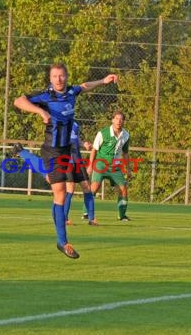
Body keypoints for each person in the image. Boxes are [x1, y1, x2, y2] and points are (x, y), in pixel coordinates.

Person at [14, 63, 117, 259]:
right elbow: (19, 101)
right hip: (52, 150)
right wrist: (40, 112)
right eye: (55, 76)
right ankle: (62, 242)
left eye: (61, 76)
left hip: (66, 151)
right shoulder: (45, 95)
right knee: (60, 193)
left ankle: (22, 153)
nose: (58, 79)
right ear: (50, 78)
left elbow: (84, 86)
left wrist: (103, 81)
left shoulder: (71, 92)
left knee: (57, 191)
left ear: (66, 77)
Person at [12, 121, 97, 226]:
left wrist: (82, 144)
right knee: (67, 187)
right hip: (64, 160)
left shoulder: (74, 124)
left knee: (86, 187)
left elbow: (75, 139)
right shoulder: (58, 124)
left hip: (76, 159)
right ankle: (63, 218)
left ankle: (92, 219)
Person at [88, 111, 132, 222]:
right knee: (94, 187)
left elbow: (125, 153)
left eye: (121, 119)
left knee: (123, 189)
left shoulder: (126, 135)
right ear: (112, 120)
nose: (119, 121)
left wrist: (128, 169)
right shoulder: (103, 133)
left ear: (124, 121)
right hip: (101, 164)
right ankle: (86, 212)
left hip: (115, 167)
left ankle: (122, 216)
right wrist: (90, 166)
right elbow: (94, 149)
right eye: (117, 118)